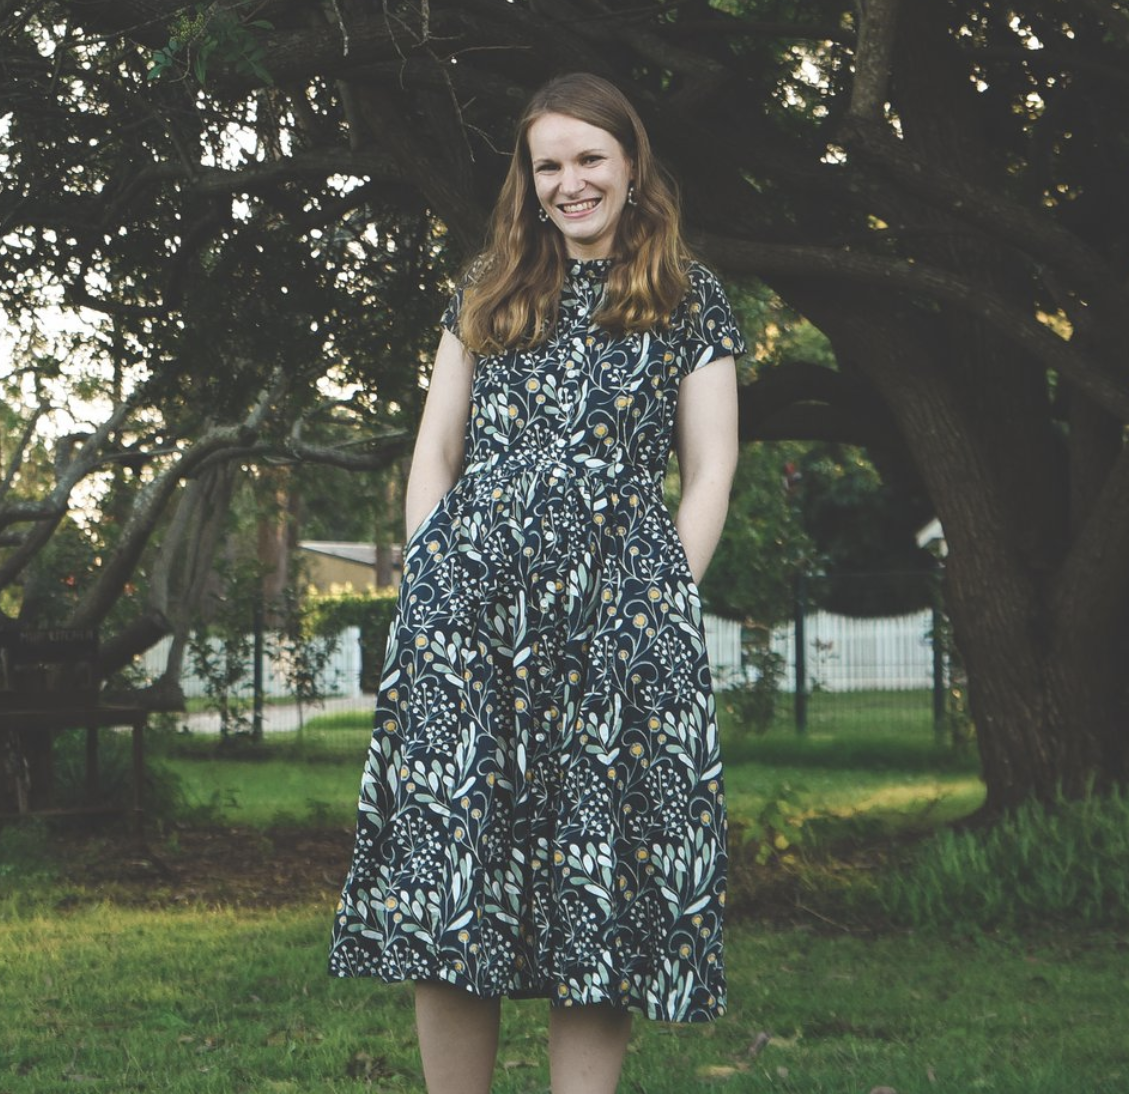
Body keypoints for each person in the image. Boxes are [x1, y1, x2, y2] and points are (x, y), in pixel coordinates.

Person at [329, 71, 743, 1094]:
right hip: (467, 627)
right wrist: (431, 579)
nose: (570, 182)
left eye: (589, 158)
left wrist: (657, 606)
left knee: (587, 889)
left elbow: (712, 469)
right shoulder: (489, 285)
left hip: (615, 632)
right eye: (549, 164)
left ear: (632, 164)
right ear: (530, 177)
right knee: (451, 880)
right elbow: (434, 450)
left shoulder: (688, 295)